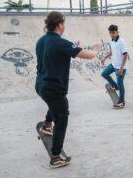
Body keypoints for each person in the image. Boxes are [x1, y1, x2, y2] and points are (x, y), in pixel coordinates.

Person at [35, 11, 101, 168]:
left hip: (40, 84)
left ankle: (46, 126)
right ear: (59, 25)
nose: (64, 26)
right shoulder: (61, 42)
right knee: (62, 117)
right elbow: (89, 55)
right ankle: (56, 157)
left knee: (54, 106)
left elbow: (57, 53)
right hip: (53, 89)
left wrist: (73, 47)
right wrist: (97, 49)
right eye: (63, 24)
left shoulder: (41, 40)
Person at [101, 24, 128, 108]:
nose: (112, 34)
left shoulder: (121, 41)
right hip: (113, 64)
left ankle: (122, 101)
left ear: (117, 32)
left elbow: (125, 54)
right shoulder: (111, 41)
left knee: (120, 84)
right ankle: (115, 86)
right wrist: (104, 58)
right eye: (110, 33)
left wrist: (121, 67)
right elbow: (111, 51)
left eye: (113, 33)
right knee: (104, 74)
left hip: (120, 67)